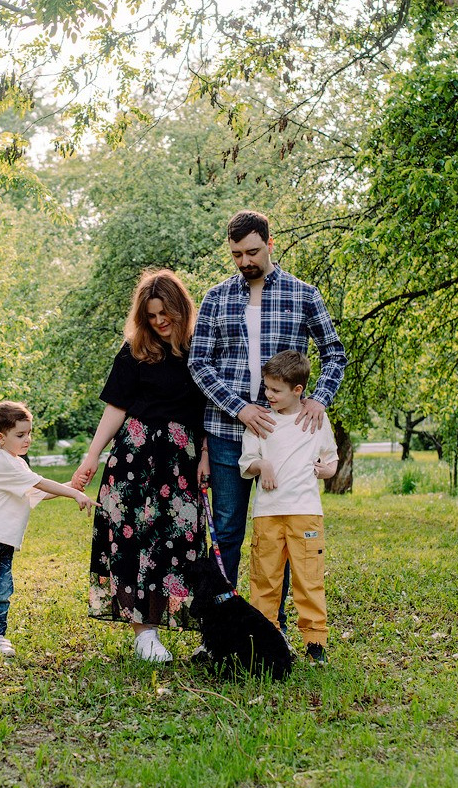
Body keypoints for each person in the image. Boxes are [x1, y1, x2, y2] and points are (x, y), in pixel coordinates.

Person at [188, 210, 346, 631]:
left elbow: (334, 353)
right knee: (226, 532)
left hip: (286, 436)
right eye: (236, 254)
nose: (244, 261)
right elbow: (200, 364)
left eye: (252, 251)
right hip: (227, 431)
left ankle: (269, 632)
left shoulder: (303, 294)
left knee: (285, 537)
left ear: (270, 244)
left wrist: (320, 400)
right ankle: (219, 632)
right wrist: (239, 407)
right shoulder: (216, 298)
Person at [71, 269, 209, 663]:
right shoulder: (135, 349)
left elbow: (208, 411)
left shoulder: (201, 348)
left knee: (181, 540)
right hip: (134, 457)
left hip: (180, 462)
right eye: (151, 315)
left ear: (181, 308)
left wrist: (204, 454)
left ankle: (185, 623)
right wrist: (92, 454)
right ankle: (143, 633)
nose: (159, 321)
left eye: (166, 312)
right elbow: (116, 405)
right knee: (131, 539)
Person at [0, 401, 97, 659]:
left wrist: (73, 485)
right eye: (20, 435)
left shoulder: (18, 465)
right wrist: (73, 494)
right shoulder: (3, 463)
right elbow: (42, 483)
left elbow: (38, 492)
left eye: (29, 433)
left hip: (4, 540)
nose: (28, 440)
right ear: (0, 438)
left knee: (2, 592)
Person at [238, 350, 338, 664]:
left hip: (306, 512)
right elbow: (247, 461)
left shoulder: (316, 420)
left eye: (275, 390)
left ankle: (315, 642)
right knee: (265, 579)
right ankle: (266, 639)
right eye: (266, 388)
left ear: (298, 390)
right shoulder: (260, 421)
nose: (268, 395)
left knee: (309, 578)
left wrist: (326, 470)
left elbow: (332, 460)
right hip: (268, 514)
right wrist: (262, 465)